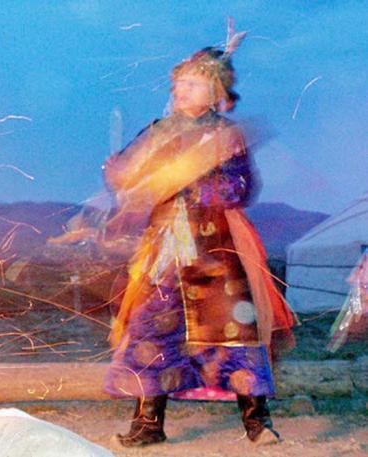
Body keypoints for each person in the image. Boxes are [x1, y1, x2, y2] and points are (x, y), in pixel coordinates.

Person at [102, 25, 296, 448]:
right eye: (178, 84)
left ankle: (257, 422)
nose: (181, 91)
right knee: (151, 329)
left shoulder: (226, 137)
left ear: (215, 92)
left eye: (192, 84)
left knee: (236, 329)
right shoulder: (157, 130)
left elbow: (242, 188)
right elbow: (128, 176)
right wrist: (119, 171)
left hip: (216, 247)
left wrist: (194, 185)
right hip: (165, 248)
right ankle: (147, 423)